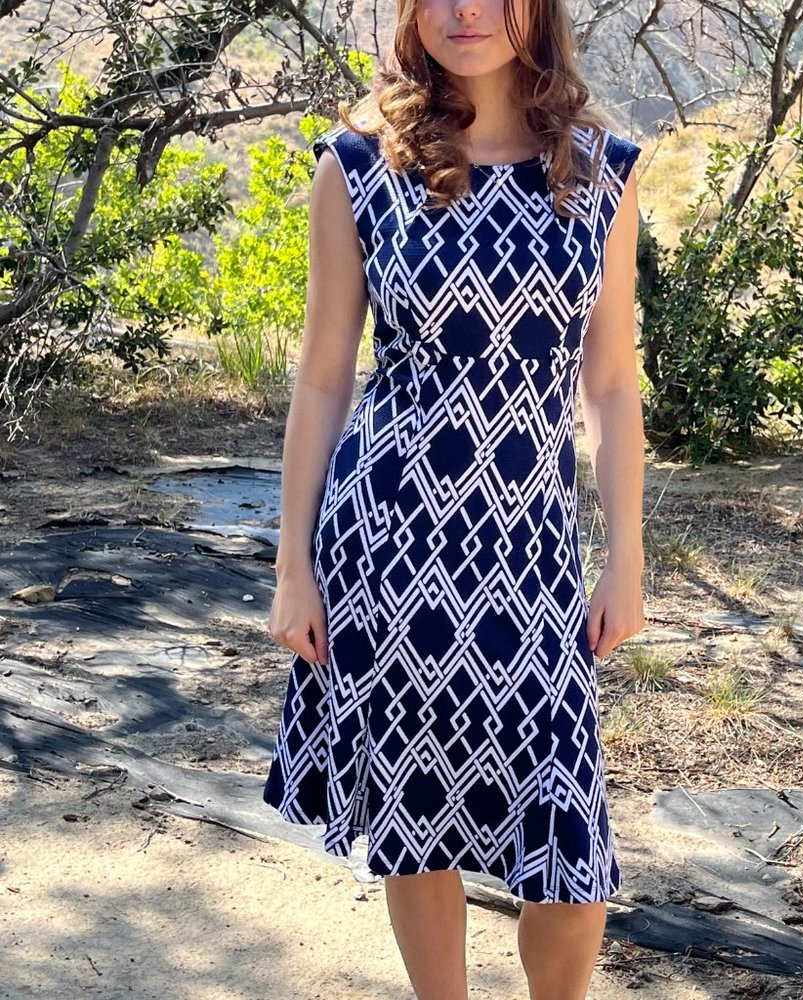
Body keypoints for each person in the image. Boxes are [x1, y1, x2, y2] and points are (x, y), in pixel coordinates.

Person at [263, 0, 645, 995]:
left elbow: (607, 381)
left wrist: (627, 554)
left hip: (532, 559)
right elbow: (321, 375)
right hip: (389, 550)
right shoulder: (358, 163)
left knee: (567, 843)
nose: (463, 12)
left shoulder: (600, 168)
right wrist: (292, 564)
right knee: (414, 818)